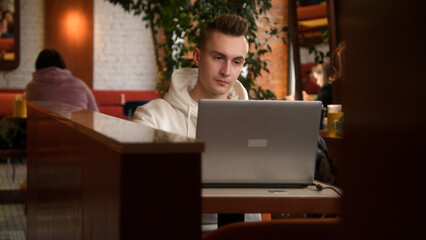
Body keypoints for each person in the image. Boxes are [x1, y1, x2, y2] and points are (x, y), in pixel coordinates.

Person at [132, 14, 258, 232]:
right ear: (197, 56)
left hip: (245, 232)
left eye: (236, 62)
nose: (227, 72)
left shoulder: (255, 120)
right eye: (218, 57)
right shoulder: (152, 117)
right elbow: (139, 192)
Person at [25, 49, 98, 111]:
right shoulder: (80, 84)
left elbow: (27, 113)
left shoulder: (32, 87)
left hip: (43, 127)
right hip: (78, 127)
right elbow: (95, 112)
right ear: (62, 64)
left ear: (38, 66)